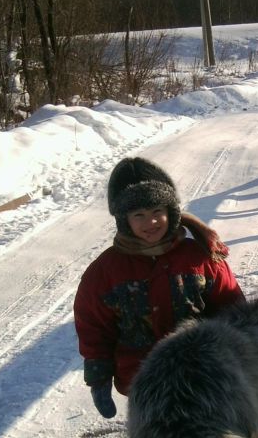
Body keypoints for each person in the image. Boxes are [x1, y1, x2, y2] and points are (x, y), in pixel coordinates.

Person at [74, 156, 244, 418]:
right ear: (124, 219)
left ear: (171, 212)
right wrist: (99, 378)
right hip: (144, 384)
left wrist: (244, 357)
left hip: (203, 375)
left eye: (157, 212)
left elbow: (232, 309)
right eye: (138, 215)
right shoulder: (105, 272)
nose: (150, 223)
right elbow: (93, 326)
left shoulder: (200, 258)